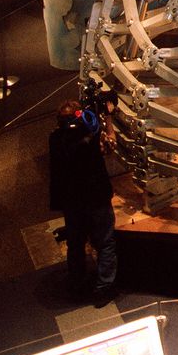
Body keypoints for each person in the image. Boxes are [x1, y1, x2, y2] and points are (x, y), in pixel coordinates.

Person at [49, 101, 117, 302]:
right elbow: (111, 142)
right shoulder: (93, 136)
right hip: (97, 198)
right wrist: (108, 117)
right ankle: (104, 287)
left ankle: (76, 283)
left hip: (72, 202)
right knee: (105, 242)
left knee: (76, 243)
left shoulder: (55, 139)